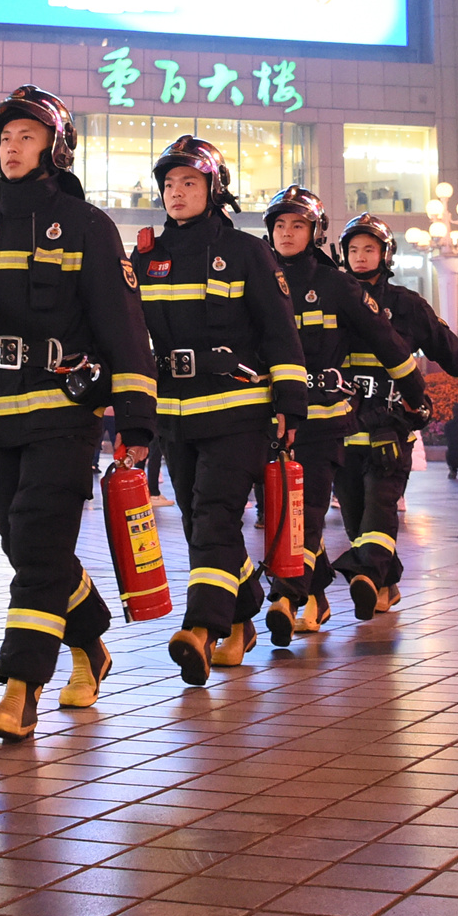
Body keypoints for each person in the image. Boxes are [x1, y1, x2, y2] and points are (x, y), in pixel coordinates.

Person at [0, 86, 155, 735]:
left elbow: (124, 328)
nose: (13, 146)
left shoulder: (87, 225)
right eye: (6, 137)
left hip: (68, 410)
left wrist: (136, 419)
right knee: (20, 540)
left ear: (56, 148)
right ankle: (90, 641)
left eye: (28, 136)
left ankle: (20, 689)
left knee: (37, 540)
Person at [122, 135, 306, 682]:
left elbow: (280, 333)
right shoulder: (145, 256)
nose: (176, 193)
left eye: (189, 183)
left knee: (214, 515)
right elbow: (128, 333)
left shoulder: (248, 252)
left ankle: (200, 629)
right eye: (169, 184)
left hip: (238, 411)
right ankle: (244, 610)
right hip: (173, 415)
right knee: (200, 523)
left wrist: (290, 405)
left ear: (213, 189)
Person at [258, 183, 417, 640]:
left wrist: (415, 395)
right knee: (282, 512)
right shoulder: (257, 274)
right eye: (280, 225)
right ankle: (319, 593)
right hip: (269, 418)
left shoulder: (335, 283)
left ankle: (288, 598)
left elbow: (387, 340)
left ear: (316, 231)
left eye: (298, 225)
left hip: (325, 419)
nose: (287, 233)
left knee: (304, 512)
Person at [334, 211, 458, 610]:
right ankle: (384, 582)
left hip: (390, 420)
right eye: (354, 249)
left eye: (369, 249)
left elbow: (441, 341)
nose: (360, 257)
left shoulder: (405, 304)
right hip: (341, 421)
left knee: (379, 506)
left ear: (386, 254)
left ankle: (365, 576)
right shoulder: (330, 299)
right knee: (353, 512)